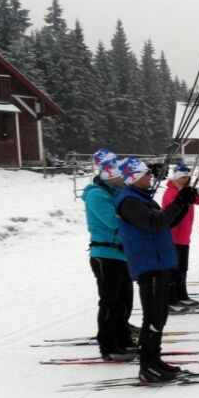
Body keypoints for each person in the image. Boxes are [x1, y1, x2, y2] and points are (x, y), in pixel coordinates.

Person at [115, 157, 197, 383]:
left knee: (159, 315)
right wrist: (178, 203)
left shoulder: (140, 198)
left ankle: (154, 360)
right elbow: (154, 223)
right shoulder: (129, 201)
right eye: (146, 174)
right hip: (148, 264)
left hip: (158, 262)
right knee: (153, 316)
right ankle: (147, 366)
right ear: (134, 177)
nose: (150, 177)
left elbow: (167, 222)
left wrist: (183, 204)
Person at [82, 149, 136, 361]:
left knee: (125, 301)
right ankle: (107, 344)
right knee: (110, 301)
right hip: (105, 255)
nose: (123, 179)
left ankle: (123, 339)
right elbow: (114, 222)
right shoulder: (97, 195)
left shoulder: (115, 192)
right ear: (108, 174)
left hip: (121, 255)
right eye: (119, 175)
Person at [162, 161, 199, 311]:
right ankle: (170, 299)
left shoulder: (186, 192)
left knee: (182, 268)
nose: (186, 180)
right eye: (182, 178)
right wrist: (186, 197)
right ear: (176, 178)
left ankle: (182, 295)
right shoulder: (171, 193)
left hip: (184, 237)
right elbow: (172, 210)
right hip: (173, 237)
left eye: (187, 178)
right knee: (174, 269)